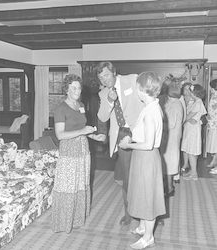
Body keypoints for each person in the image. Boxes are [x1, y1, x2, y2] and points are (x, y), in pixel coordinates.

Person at [51, 74, 106, 233]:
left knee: (80, 184)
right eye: (73, 87)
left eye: (79, 87)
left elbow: (82, 129)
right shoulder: (61, 108)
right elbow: (60, 135)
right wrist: (83, 130)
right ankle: (63, 222)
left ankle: (76, 218)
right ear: (66, 89)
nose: (77, 90)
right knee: (68, 186)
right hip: (69, 150)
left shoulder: (81, 105)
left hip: (83, 149)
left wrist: (94, 136)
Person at [119, 71, 166, 249]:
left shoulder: (149, 112)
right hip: (143, 158)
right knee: (140, 193)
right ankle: (142, 227)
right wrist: (132, 140)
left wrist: (128, 145)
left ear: (141, 89)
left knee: (147, 198)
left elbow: (148, 144)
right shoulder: (152, 106)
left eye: (137, 87)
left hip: (146, 158)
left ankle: (148, 237)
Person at [96, 61, 144, 226]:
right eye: (101, 77)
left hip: (141, 133)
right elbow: (102, 117)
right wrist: (109, 102)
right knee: (127, 178)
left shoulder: (132, 80)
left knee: (146, 175)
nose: (105, 79)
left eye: (106, 75)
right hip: (122, 136)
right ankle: (129, 213)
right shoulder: (103, 94)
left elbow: (146, 101)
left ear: (113, 72)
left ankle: (151, 213)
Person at [160, 81, 184, 197]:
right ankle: (168, 185)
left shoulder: (172, 105)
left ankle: (169, 188)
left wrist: (160, 124)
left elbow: (171, 123)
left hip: (170, 136)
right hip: (174, 136)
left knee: (168, 160)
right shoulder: (178, 102)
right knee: (170, 159)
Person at [181, 84, 207, 180]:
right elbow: (188, 118)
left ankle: (194, 174)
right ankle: (192, 171)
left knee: (192, 152)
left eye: (190, 91)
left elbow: (186, 117)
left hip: (193, 129)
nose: (189, 93)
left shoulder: (198, 103)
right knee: (189, 150)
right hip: (190, 129)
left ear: (194, 93)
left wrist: (187, 119)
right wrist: (188, 120)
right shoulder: (196, 102)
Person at [180, 82, 194, 174]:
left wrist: (187, 120)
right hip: (181, 125)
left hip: (192, 127)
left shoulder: (195, 100)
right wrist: (187, 120)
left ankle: (192, 166)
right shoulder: (180, 99)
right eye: (185, 89)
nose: (187, 91)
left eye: (189, 89)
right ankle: (185, 164)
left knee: (191, 146)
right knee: (184, 145)